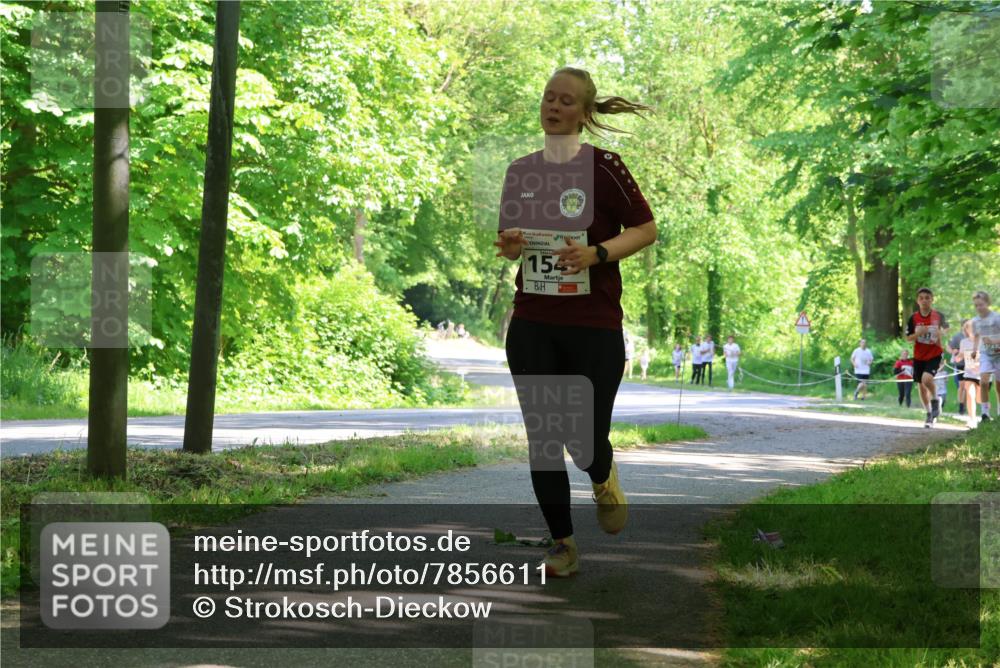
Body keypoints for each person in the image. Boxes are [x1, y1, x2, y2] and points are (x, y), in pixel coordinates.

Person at [493, 66, 656, 577]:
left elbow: (647, 229)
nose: (553, 106)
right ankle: (563, 545)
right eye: (548, 97)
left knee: (583, 439)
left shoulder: (605, 168)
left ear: (585, 114)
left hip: (594, 325)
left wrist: (597, 253)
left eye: (566, 101)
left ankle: (602, 473)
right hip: (534, 321)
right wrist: (511, 246)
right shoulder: (521, 170)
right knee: (544, 437)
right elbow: (510, 242)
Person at [905, 287, 949, 428]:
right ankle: (929, 414)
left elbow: (947, 330)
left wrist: (940, 331)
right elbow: (908, 338)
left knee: (926, 379)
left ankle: (936, 398)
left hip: (934, 353)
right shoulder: (913, 318)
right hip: (919, 356)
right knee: (921, 387)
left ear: (932, 299)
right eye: (921, 298)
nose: (924, 300)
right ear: (918, 301)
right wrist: (918, 334)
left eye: (927, 297)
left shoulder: (938, 316)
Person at [970, 290, 1000, 425]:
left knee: (999, 385)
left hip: (999, 353)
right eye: (976, 305)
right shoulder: (975, 321)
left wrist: (994, 342)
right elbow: (976, 336)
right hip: (986, 354)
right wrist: (975, 350)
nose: (979, 308)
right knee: (983, 381)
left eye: (981, 305)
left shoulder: (996, 318)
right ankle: (985, 413)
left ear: (987, 303)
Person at [956, 319, 981, 429]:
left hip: (982, 374)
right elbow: (961, 354)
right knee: (970, 395)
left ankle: (986, 415)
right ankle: (972, 419)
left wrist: (979, 363)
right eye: (969, 327)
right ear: (966, 329)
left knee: (980, 399)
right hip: (969, 373)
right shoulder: (964, 342)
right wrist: (958, 357)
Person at [947, 323, 967, 415]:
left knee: (968, 386)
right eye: (965, 325)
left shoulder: (974, 336)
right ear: (962, 326)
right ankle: (961, 406)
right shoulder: (957, 336)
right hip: (960, 364)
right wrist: (954, 352)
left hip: (971, 365)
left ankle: (965, 405)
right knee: (961, 386)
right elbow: (949, 347)